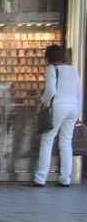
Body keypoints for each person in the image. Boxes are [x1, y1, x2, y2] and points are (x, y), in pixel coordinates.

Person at [33, 43, 83, 187]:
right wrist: (79, 112)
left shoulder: (52, 69)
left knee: (47, 141)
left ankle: (40, 178)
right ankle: (65, 179)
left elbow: (50, 90)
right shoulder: (73, 70)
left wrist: (43, 100)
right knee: (67, 143)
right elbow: (79, 93)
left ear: (48, 57)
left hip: (59, 106)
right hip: (73, 107)